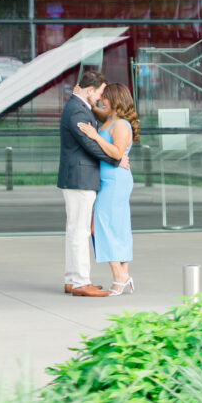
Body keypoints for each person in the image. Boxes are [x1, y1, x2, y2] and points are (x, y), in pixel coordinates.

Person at [57, 69, 124, 297]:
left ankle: (72, 279)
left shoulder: (79, 106)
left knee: (75, 230)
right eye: (100, 92)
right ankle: (80, 282)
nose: (100, 98)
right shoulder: (77, 110)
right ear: (89, 90)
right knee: (80, 231)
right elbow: (90, 145)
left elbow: (93, 124)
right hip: (80, 178)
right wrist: (116, 158)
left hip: (78, 177)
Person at [78, 82, 139, 296]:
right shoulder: (110, 119)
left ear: (114, 99)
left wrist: (95, 136)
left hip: (115, 181)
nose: (102, 99)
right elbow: (93, 108)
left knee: (101, 227)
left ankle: (120, 275)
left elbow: (116, 153)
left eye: (105, 96)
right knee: (117, 227)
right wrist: (82, 95)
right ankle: (123, 275)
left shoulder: (121, 124)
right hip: (108, 180)